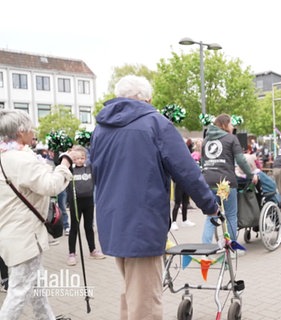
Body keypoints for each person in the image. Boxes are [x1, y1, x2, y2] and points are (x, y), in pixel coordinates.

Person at [90, 75, 219, 320]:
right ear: (147, 98)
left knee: (132, 293)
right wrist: (210, 205)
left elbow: (96, 171)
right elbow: (186, 171)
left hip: (112, 220)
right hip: (142, 221)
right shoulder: (155, 123)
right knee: (145, 301)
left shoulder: (100, 129)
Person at [0, 109, 73, 319]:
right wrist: (64, 165)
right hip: (24, 236)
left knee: (37, 284)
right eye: (31, 128)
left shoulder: (4, 157)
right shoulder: (21, 159)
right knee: (19, 291)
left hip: (13, 234)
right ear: (20, 132)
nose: (34, 132)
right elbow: (50, 186)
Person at [200, 113, 258, 244]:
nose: (232, 126)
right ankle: (230, 247)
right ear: (225, 125)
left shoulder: (205, 140)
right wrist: (251, 175)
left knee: (211, 215)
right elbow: (241, 161)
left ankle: (205, 249)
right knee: (231, 215)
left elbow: (203, 163)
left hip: (208, 182)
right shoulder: (231, 138)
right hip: (225, 183)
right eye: (231, 123)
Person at [66, 145, 105, 266]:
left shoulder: (89, 168)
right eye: (77, 158)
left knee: (89, 227)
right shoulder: (70, 170)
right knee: (74, 227)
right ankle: (72, 253)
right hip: (76, 202)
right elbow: (60, 161)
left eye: (82, 158)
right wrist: (70, 154)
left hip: (88, 201)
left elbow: (96, 158)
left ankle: (92, 250)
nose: (79, 160)